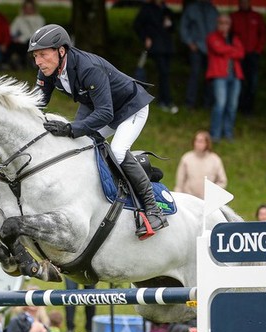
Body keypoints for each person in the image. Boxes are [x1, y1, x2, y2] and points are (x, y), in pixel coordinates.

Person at [29, 24, 167, 239]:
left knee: (118, 151)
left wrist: (70, 128)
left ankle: (153, 209)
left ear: (61, 50)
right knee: (77, 147)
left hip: (130, 106)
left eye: (43, 55)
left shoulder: (88, 68)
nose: (38, 61)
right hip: (98, 105)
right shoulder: (48, 70)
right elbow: (36, 103)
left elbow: (104, 114)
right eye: (36, 56)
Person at [133, 0, 178, 114]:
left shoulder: (166, 10)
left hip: (167, 47)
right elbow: (137, 25)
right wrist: (145, 37)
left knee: (166, 74)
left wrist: (170, 24)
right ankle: (166, 101)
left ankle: (164, 100)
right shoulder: (147, 9)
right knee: (164, 73)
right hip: (156, 46)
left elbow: (173, 29)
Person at [206, 14, 244, 142]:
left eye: (226, 23)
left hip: (235, 75)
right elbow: (218, 49)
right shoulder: (212, 37)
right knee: (220, 104)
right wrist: (232, 50)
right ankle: (215, 134)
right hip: (219, 75)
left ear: (230, 24)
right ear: (217, 24)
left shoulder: (235, 37)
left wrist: (228, 50)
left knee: (232, 106)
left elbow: (241, 53)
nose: (224, 25)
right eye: (221, 23)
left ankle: (228, 133)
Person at [179, 0, 218, 110]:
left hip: (211, 49)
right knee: (194, 75)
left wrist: (216, 44)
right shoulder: (192, 8)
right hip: (197, 48)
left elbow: (218, 28)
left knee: (210, 77)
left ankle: (207, 104)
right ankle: (189, 103)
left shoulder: (213, 9)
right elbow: (183, 27)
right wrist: (189, 42)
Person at [230, 0, 266, 115]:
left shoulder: (257, 17)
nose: (244, 4)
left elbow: (263, 35)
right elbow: (230, 36)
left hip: (252, 54)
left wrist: (258, 50)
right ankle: (238, 107)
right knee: (238, 82)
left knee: (252, 82)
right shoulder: (234, 17)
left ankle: (249, 109)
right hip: (238, 55)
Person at [174, 130, 227, 199]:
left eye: (201, 141)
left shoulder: (215, 160)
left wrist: (213, 193)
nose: (198, 144)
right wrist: (178, 197)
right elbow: (180, 182)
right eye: (197, 141)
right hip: (189, 199)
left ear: (207, 143)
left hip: (207, 200)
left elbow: (222, 181)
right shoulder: (187, 158)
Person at [6, 0, 45, 69]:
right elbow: (12, 31)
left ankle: (25, 61)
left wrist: (24, 38)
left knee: (28, 44)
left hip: (34, 41)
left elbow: (38, 33)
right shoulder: (19, 19)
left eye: (30, 8)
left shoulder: (39, 19)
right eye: (26, 8)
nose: (28, 10)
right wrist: (16, 38)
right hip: (21, 41)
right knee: (13, 45)